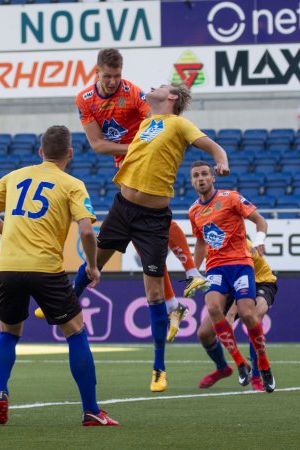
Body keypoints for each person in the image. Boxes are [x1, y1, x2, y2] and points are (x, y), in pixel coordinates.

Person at [36, 48, 209, 341]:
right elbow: (98, 145)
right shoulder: (85, 99)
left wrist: (150, 147)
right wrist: (138, 148)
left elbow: (159, 122)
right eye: (108, 76)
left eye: (117, 75)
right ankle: (173, 303)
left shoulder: (134, 94)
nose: (113, 81)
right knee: (147, 250)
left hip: (146, 165)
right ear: (97, 72)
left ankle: (189, 276)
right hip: (128, 162)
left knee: (153, 224)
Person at [75, 82, 229, 392]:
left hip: (153, 219)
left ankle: (159, 368)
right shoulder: (148, 122)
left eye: (161, 86)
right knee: (95, 261)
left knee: (155, 294)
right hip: (123, 207)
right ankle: (66, 301)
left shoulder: (179, 123)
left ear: (171, 97)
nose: (153, 87)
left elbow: (212, 146)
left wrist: (221, 160)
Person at [0, 125, 118, 427]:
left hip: (7, 266)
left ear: (41, 152)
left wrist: (10, 232)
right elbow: (88, 230)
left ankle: (0, 391)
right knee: (76, 331)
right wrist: (92, 266)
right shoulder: (72, 184)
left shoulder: (14, 177)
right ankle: (91, 410)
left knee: (8, 333)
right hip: (44, 268)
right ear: (70, 154)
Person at [187, 160, 275, 393]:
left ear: (213, 177)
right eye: (196, 176)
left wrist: (259, 240)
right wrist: (193, 272)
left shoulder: (231, 198)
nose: (201, 178)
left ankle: (262, 368)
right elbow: (199, 242)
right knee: (211, 317)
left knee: (248, 313)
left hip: (247, 269)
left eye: (205, 174)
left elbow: (260, 220)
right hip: (216, 268)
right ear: (191, 181)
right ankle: (238, 364)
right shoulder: (194, 211)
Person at [192, 238, 278, 391]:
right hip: (233, 285)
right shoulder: (211, 248)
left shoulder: (244, 247)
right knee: (204, 333)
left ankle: (258, 375)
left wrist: (231, 314)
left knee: (253, 316)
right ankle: (222, 368)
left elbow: (244, 286)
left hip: (261, 282)